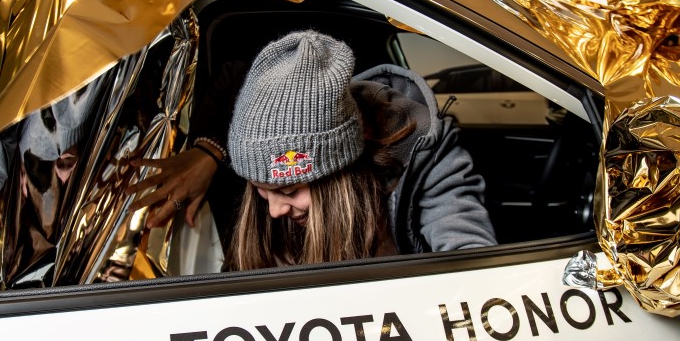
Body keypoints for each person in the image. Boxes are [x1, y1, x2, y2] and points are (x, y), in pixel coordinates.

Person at [130, 29, 496, 269]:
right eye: (261, 190)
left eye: (289, 190)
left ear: (339, 173)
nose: (274, 210)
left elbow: (472, 263)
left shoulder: (427, 162)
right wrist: (209, 153)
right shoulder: (272, 210)